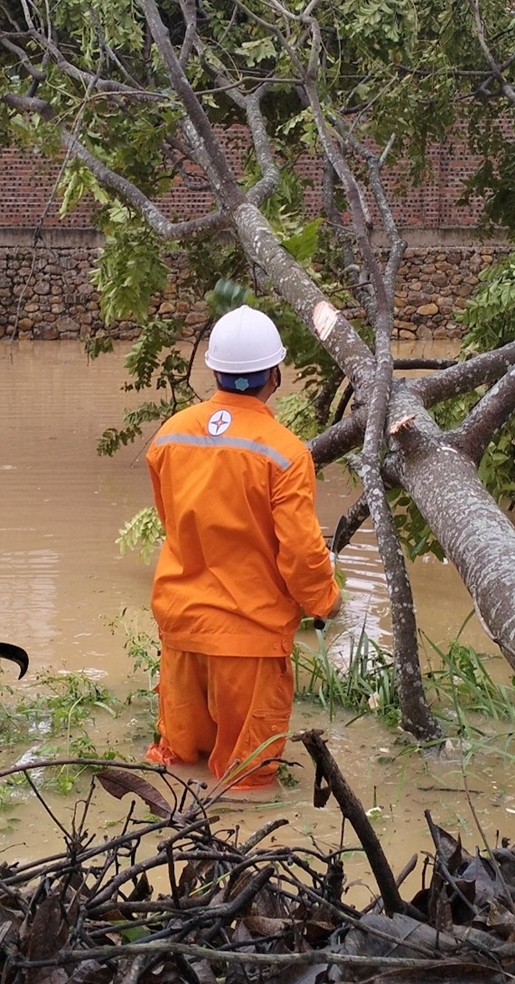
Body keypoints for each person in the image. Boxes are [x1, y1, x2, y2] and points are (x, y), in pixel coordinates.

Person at [145, 305, 341, 790]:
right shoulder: (285, 453)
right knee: (247, 782)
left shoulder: (170, 435)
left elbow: (173, 521)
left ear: (214, 370)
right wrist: (327, 602)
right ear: (274, 374)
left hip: (182, 631)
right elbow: (300, 553)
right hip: (249, 644)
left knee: (177, 769)